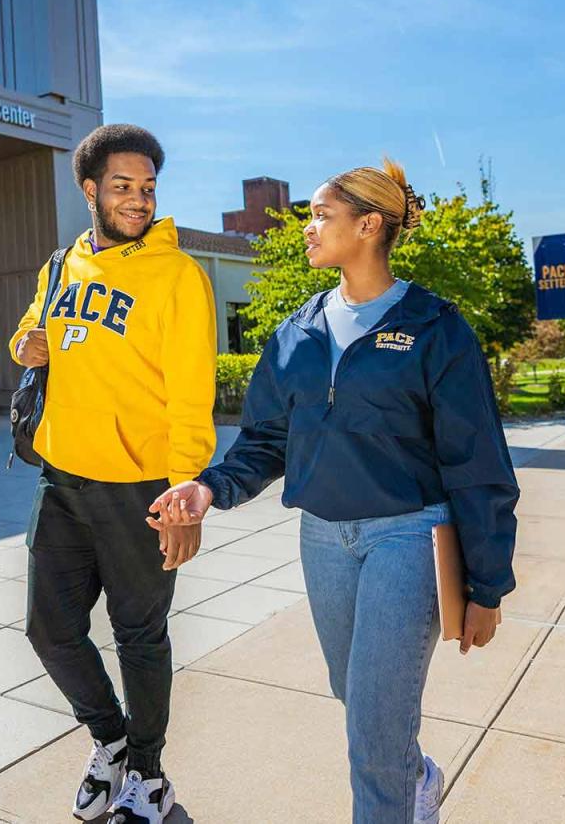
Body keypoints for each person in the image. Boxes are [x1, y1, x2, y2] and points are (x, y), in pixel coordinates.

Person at [150, 158, 517, 824]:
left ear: (369, 224)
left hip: (408, 534)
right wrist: (208, 489)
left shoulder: (437, 327)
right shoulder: (297, 333)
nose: (308, 230)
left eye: (321, 215)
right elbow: (264, 442)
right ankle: (417, 776)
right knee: (356, 698)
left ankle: (395, 793)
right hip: (323, 539)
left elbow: (477, 459)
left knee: (374, 729)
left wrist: (487, 585)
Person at [10, 124, 216, 824]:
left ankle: (149, 778)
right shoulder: (60, 265)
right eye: (124, 187)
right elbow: (32, 332)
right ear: (90, 189)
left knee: (139, 636)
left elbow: (193, 392)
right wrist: (24, 344)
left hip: (142, 490)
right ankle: (111, 738)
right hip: (61, 481)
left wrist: (185, 493)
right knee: (49, 628)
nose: (138, 200)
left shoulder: (177, 275)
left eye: (148, 188)